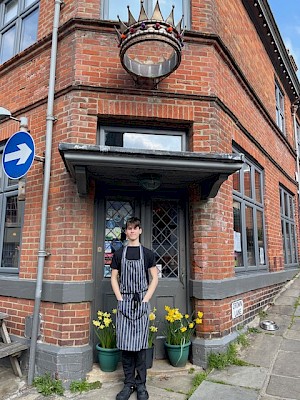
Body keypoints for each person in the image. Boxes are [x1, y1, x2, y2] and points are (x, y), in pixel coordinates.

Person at [111, 217, 158, 400]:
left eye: (135, 228)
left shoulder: (147, 254)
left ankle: (141, 385)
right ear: (126, 231)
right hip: (124, 302)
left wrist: (146, 299)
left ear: (140, 231)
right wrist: (120, 298)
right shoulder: (118, 253)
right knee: (126, 347)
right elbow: (114, 278)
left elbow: (154, 278)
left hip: (141, 302)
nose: (131, 231)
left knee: (140, 347)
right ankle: (128, 383)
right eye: (129, 228)